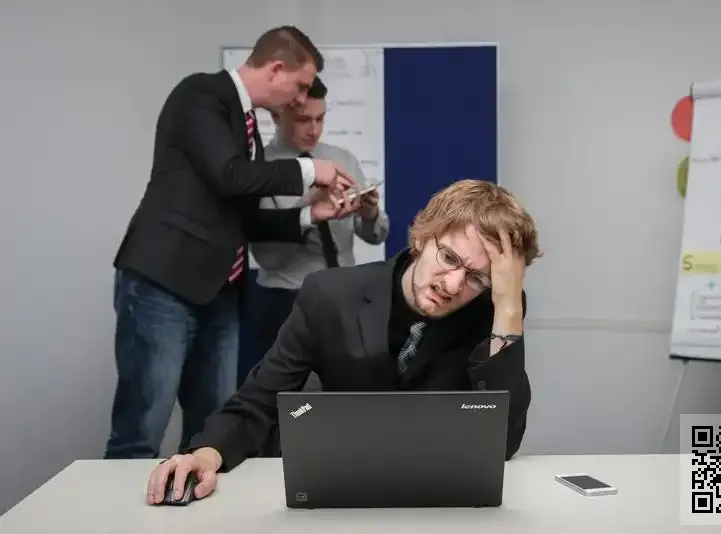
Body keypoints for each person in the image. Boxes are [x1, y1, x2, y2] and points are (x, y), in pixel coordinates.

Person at [146, 179, 541, 505]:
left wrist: (508, 306)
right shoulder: (330, 296)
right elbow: (259, 399)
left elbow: (502, 442)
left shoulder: (493, 313)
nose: (453, 285)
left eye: (477, 278)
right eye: (449, 258)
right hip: (335, 492)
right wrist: (205, 454)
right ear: (424, 237)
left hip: (437, 498)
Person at [105, 25, 358, 460]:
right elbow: (229, 176)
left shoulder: (247, 128)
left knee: (213, 431)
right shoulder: (200, 95)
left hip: (221, 293)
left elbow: (244, 217)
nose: (300, 99)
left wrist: (310, 215)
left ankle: (191, 502)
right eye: (300, 86)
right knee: (142, 429)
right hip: (164, 284)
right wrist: (311, 171)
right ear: (276, 69)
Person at [242, 76, 390, 384]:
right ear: (277, 116)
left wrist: (369, 213)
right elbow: (268, 259)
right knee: (284, 398)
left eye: (320, 118)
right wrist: (308, 208)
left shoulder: (342, 159)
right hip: (285, 300)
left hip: (346, 296)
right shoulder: (261, 170)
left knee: (349, 393)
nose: (314, 129)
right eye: (303, 120)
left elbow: (376, 235)